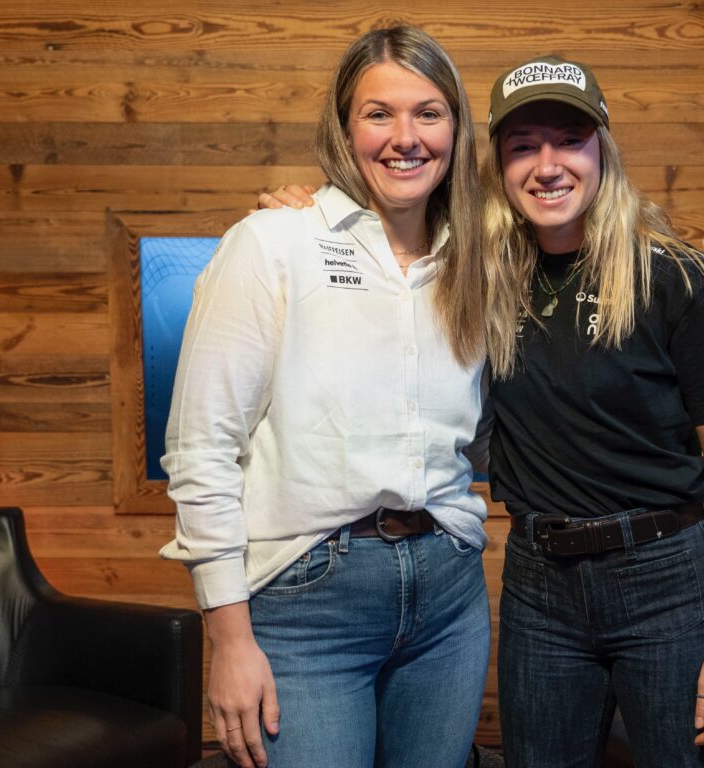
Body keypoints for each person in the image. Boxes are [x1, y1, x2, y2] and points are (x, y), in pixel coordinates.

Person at [263, 54, 704, 768]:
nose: (548, 165)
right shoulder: (473, 271)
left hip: (666, 579)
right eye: (523, 146)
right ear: (497, 165)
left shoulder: (675, 275)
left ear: (603, 149)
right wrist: (302, 212)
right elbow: (385, 231)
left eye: (569, 140)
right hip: (541, 581)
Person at [160, 26, 491, 768]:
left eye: (428, 113)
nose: (405, 137)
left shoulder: (477, 258)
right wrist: (229, 637)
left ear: (456, 128)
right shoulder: (273, 243)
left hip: (448, 596)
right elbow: (201, 448)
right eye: (379, 114)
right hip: (309, 603)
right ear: (345, 127)